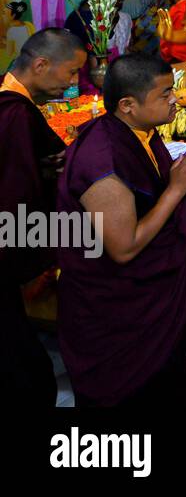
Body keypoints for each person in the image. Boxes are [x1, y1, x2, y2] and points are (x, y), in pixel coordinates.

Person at [56, 54, 186, 407]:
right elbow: (125, 247)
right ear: (128, 105)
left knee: (178, 387)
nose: (177, 100)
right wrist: (177, 188)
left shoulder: (139, 135)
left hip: (158, 298)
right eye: (165, 94)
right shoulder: (102, 159)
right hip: (121, 318)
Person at [0, 30, 86, 406]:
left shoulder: (11, 101)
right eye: (70, 73)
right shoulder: (14, 113)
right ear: (40, 65)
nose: (73, 83)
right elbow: (16, 193)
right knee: (26, 374)